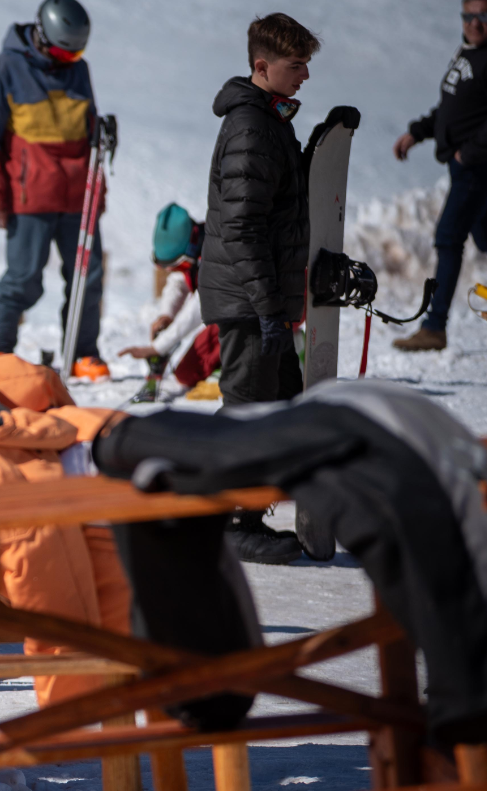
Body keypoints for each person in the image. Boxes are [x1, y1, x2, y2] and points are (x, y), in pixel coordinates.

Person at [198, 13, 319, 565]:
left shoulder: (270, 123)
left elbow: (278, 214)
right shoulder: (253, 127)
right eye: (297, 66)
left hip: (259, 294)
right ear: (261, 66)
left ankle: (243, 510)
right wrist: (270, 308)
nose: (305, 77)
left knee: (279, 405)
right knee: (247, 409)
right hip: (249, 297)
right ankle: (222, 520)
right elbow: (243, 226)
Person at [0, 0, 111, 380]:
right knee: (23, 279)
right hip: (30, 199)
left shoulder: (78, 70)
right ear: (42, 36)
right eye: (65, 51)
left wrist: (99, 194)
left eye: (77, 52)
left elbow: (91, 135)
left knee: (88, 277)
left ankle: (83, 353)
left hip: (79, 197)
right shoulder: (4, 70)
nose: (71, 59)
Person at [391, 0, 487, 352]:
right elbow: (451, 109)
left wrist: (470, 152)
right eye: (469, 15)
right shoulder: (467, 54)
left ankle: (435, 327)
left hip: (475, 168)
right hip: (464, 164)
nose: (475, 23)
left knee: (448, 238)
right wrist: (418, 132)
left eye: (483, 16)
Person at [118, 204, 221, 401]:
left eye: (179, 265)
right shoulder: (191, 255)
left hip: (256, 313)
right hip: (224, 319)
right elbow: (178, 283)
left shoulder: (218, 250)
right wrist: (167, 315)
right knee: (186, 374)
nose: (173, 271)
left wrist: (158, 347)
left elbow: (203, 303)